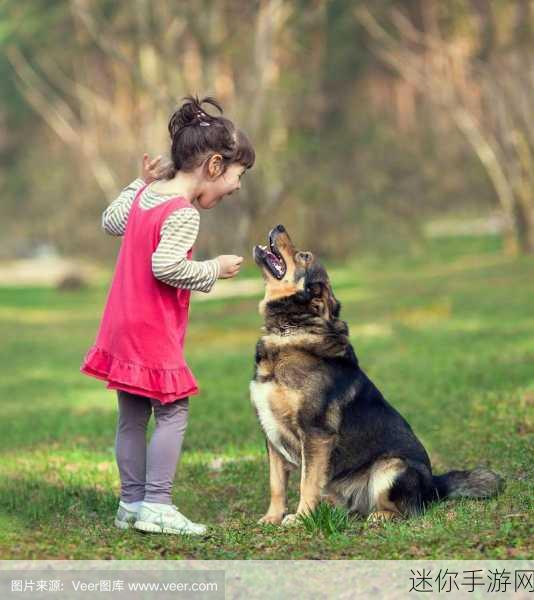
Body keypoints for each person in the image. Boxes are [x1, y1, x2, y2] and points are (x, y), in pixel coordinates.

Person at [80, 96, 255, 535]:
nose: (236, 188)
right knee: (174, 409)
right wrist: (213, 269)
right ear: (214, 166)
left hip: (121, 322)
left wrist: (137, 183)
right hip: (150, 328)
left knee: (133, 415)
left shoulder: (148, 196)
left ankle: (131, 503)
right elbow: (167, 267)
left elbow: (110, 221)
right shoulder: (183, 212)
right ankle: (157, 504)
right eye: (237, 177)